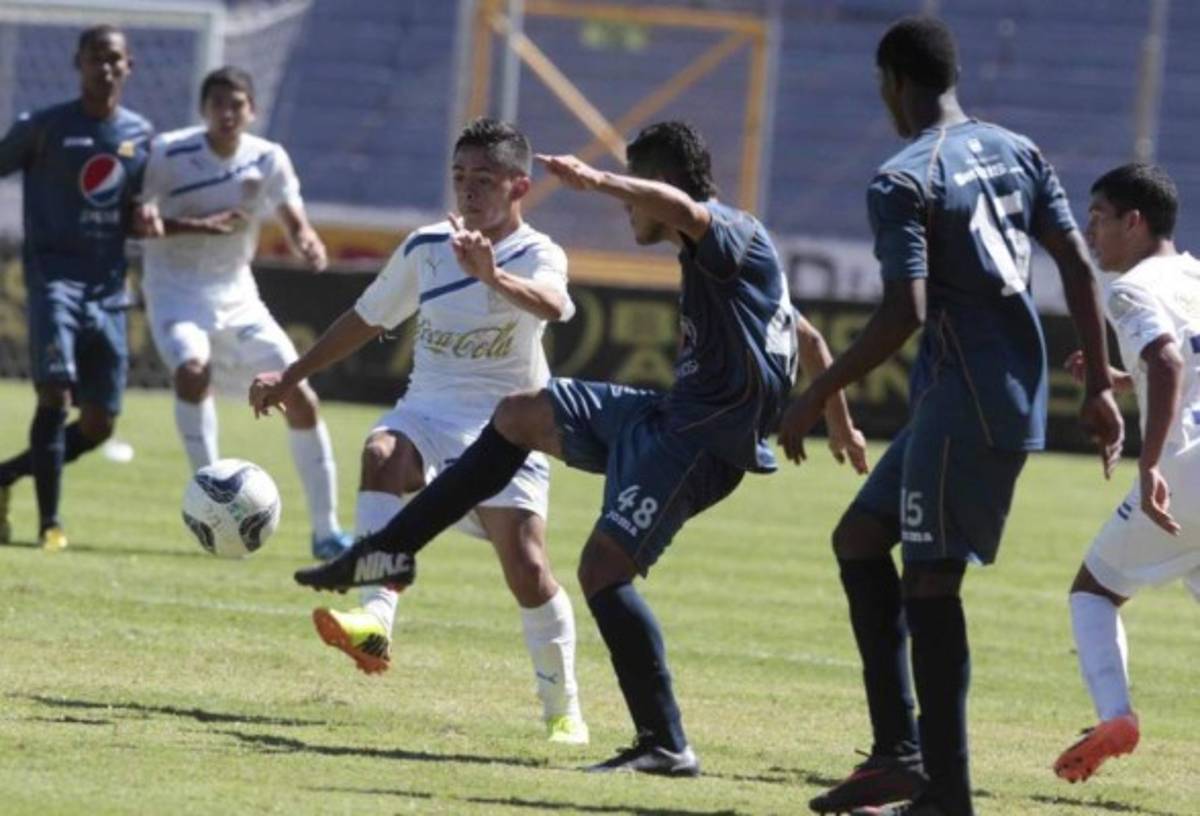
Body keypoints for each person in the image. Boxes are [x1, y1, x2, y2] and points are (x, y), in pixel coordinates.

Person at [279, 120, 868, 776]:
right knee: (521, 414)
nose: (624, 208)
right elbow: (808, 339)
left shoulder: (725, 233)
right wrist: (838, 421)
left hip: (702, 447)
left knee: (598, 571)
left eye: (632, 193)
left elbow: (678, 212)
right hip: (665, 417)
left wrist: (597, 179)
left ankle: (665, 744)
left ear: (657, 187)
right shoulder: (721, 260)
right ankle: (386, 554)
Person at [775, 17, 1125, 816]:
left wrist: (815, 395)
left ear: (894, 79)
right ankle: (898, 757)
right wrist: (1099, 382)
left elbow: (905, 311)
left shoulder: (903, 178)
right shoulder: (1019, 149)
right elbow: (1074, 262)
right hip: (984, 388)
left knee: (931, 580)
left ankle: (948, 795)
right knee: (860, 537)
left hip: (966, 395)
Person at [249, 118, 589, 743]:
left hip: (506, 431)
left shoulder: (538, 253)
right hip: (426, 414)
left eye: (484, 179)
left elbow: (552, 305)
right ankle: (376, 621)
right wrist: (291, 375)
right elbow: (364, 319)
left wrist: (492, 277)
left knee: (529, 567)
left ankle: (563, 707)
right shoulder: (426, 247)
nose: (468, 190)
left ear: (519, 185)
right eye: (460, 177)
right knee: (381, 451)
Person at [138, 66, 350, 560]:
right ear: (203, 110)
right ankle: (212, 499)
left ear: (251, 110)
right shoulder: (169, 152)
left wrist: (307, 241)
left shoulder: (268, 158)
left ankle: (326, 531)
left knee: (300, 395)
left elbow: (292, 214)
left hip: (237, 296)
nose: (228, 114)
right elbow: (135, 216)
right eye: (218, 104)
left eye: (237, 105)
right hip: (174, 292)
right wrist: (184, 223)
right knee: (193, 371)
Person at [1053, 164, 1200, 784]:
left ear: (1134, 222)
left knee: (1094, 590)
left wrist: (1148, 464)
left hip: (1186, 470)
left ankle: (1116, 717)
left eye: (1099, 217)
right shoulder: (1194, 274)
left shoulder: (1130, 288)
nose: (1090, 232)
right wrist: (1123, 377)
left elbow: (1167, 362)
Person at [0, 25, 157, 550]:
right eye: (96, 58)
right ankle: (50, 524)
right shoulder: (43, 128)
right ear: (79, 63)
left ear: (129, 65)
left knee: (98, 423)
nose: (105, 68)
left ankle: (3, 478)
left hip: (110, 289)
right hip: (54, 281)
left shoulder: (140, 136)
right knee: (55, 392)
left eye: (114, 59)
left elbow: (138, 207)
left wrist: (145, 216)